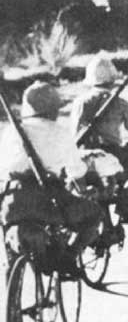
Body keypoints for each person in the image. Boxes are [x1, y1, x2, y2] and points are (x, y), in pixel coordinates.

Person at [0, 82, 103, 275]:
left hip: (10, 202)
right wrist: (82, 188)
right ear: (52, 109)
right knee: (94, 214)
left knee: (11, 252)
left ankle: (11, 301)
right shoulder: (58, 132)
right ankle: (68, 258)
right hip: (48, 201)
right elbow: (76, 171)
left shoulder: (10, 132)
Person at [70, 53, 128, 227]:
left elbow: (74, 133)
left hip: (85, 156)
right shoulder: (119, 103)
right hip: (113, 154)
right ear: (111, 80)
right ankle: (124, 199)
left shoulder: (80, 102)